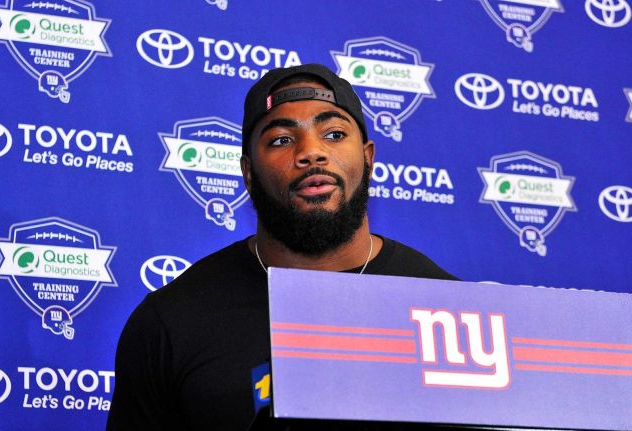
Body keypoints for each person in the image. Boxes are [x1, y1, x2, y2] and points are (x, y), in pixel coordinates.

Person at [107, 64, 456, 431]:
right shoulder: (172, 321)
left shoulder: (450, 309)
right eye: (281, 140)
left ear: (368, 158)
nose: (312, 152)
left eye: (334, 134)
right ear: (248, 173)